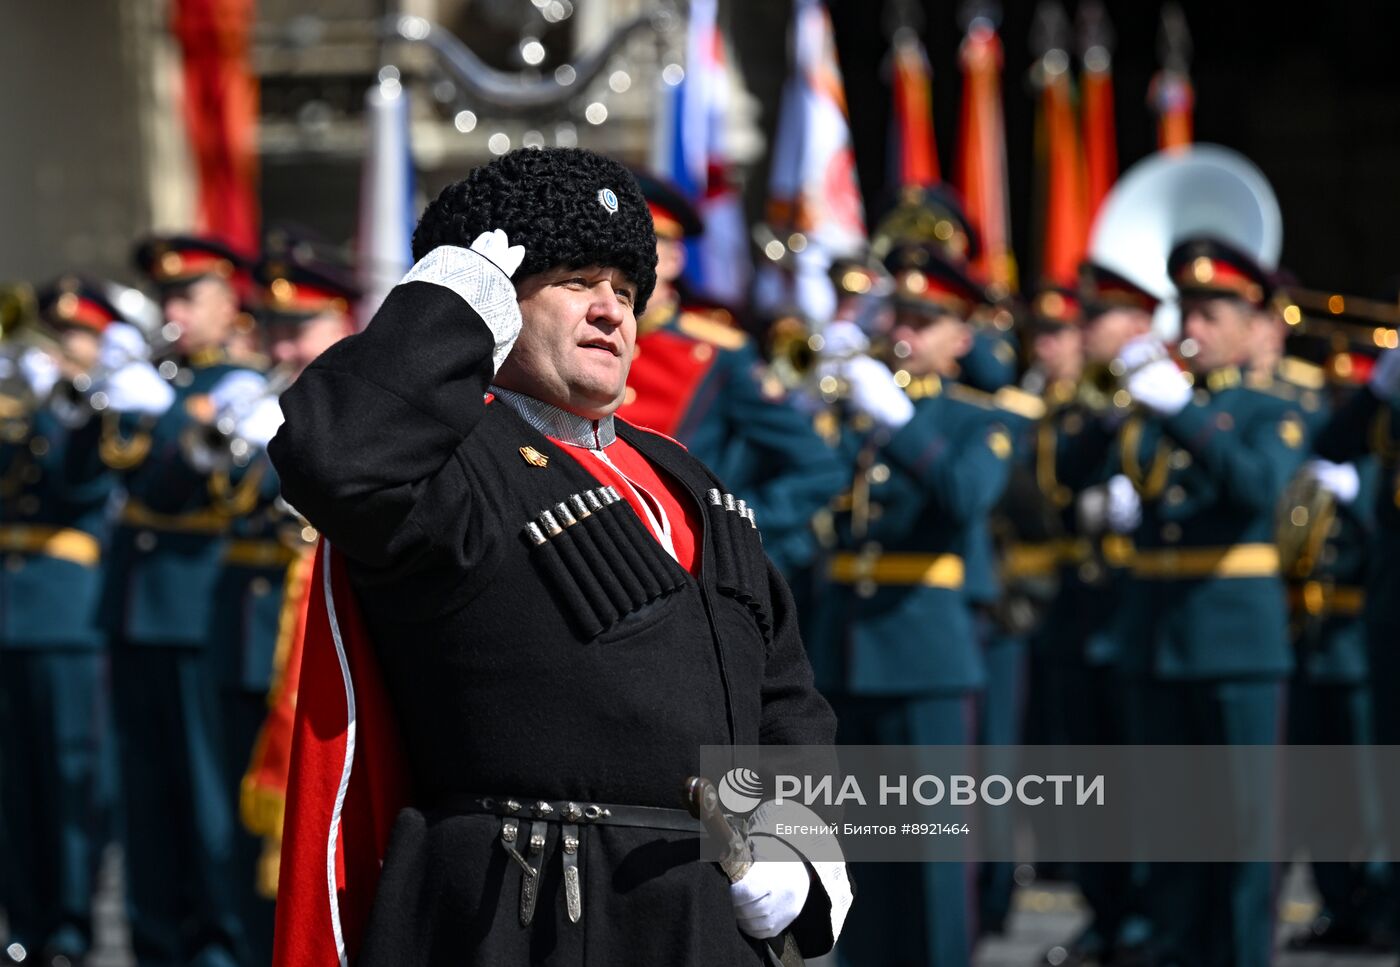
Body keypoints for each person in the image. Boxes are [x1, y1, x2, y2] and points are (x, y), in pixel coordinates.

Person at [266, 147, 849, 967]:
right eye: (576, 281)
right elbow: (333, 456)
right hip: (524, 913)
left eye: (627, 291)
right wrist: (446, 300)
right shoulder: (449, 465)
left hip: (698, 924)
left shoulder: (686, 479)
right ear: (497, 303)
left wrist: (793, 836)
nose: (612, 311)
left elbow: (784, 692)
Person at [1062, 237, 1307, 967]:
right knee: (1170, 836)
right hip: (1156, 641)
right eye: (1187, 311)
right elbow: (1069, 473)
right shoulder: (1152, 407)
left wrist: (1182, 413)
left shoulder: (1270, 408)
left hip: (1234, 645)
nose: (1192, 326)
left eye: (1210, 314)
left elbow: (1257, 487)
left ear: (1251, 327)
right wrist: (1111, 419)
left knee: (1242, 838)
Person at [807, 239, 1012, 967]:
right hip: (847, 648)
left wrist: (898, 422)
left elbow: (964, 497)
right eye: (900, 315)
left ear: (960, 339)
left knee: (931, 865)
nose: (905, 333)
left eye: (926, 322)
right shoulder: (852, 411)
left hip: (925, 656)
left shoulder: (978, 418)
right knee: (858, 862)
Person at [100, 234, 262, 967]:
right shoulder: (149, 378)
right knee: (146, 794)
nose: (174, 311)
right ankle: (156, 939)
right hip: (135, 606)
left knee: (207, 796)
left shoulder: (242, 384)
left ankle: (217, 943)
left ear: (228, 303)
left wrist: (166, 412)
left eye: (189, 296)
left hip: (200, 606)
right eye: (166, 297)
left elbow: (180, 490)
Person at [210, 250, 358, 966]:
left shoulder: (364, 399)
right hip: (252, 628)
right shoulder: (257, 397)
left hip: (329, 629)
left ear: (343, 323)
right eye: (276, 331)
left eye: (301, 330)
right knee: (230, 821)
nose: (285, 349)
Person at [616, 170, 844, 577]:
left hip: (681, 572)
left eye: (645, 244)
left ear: (675, 258)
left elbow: (818, 468)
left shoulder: (719, 353)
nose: (626, 259)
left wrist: (725, 532)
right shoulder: (580, 340)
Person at [0, 278, 124, 967]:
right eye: (56, 334)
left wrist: (62, 405)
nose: (63, 347)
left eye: (77, 336)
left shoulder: (100, 407)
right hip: (10, 607)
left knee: (73, 771)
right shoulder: (19, 403)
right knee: (13, 777)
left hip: (68, 608)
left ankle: (73, 924)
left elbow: (80, 482)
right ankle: (24, 920)